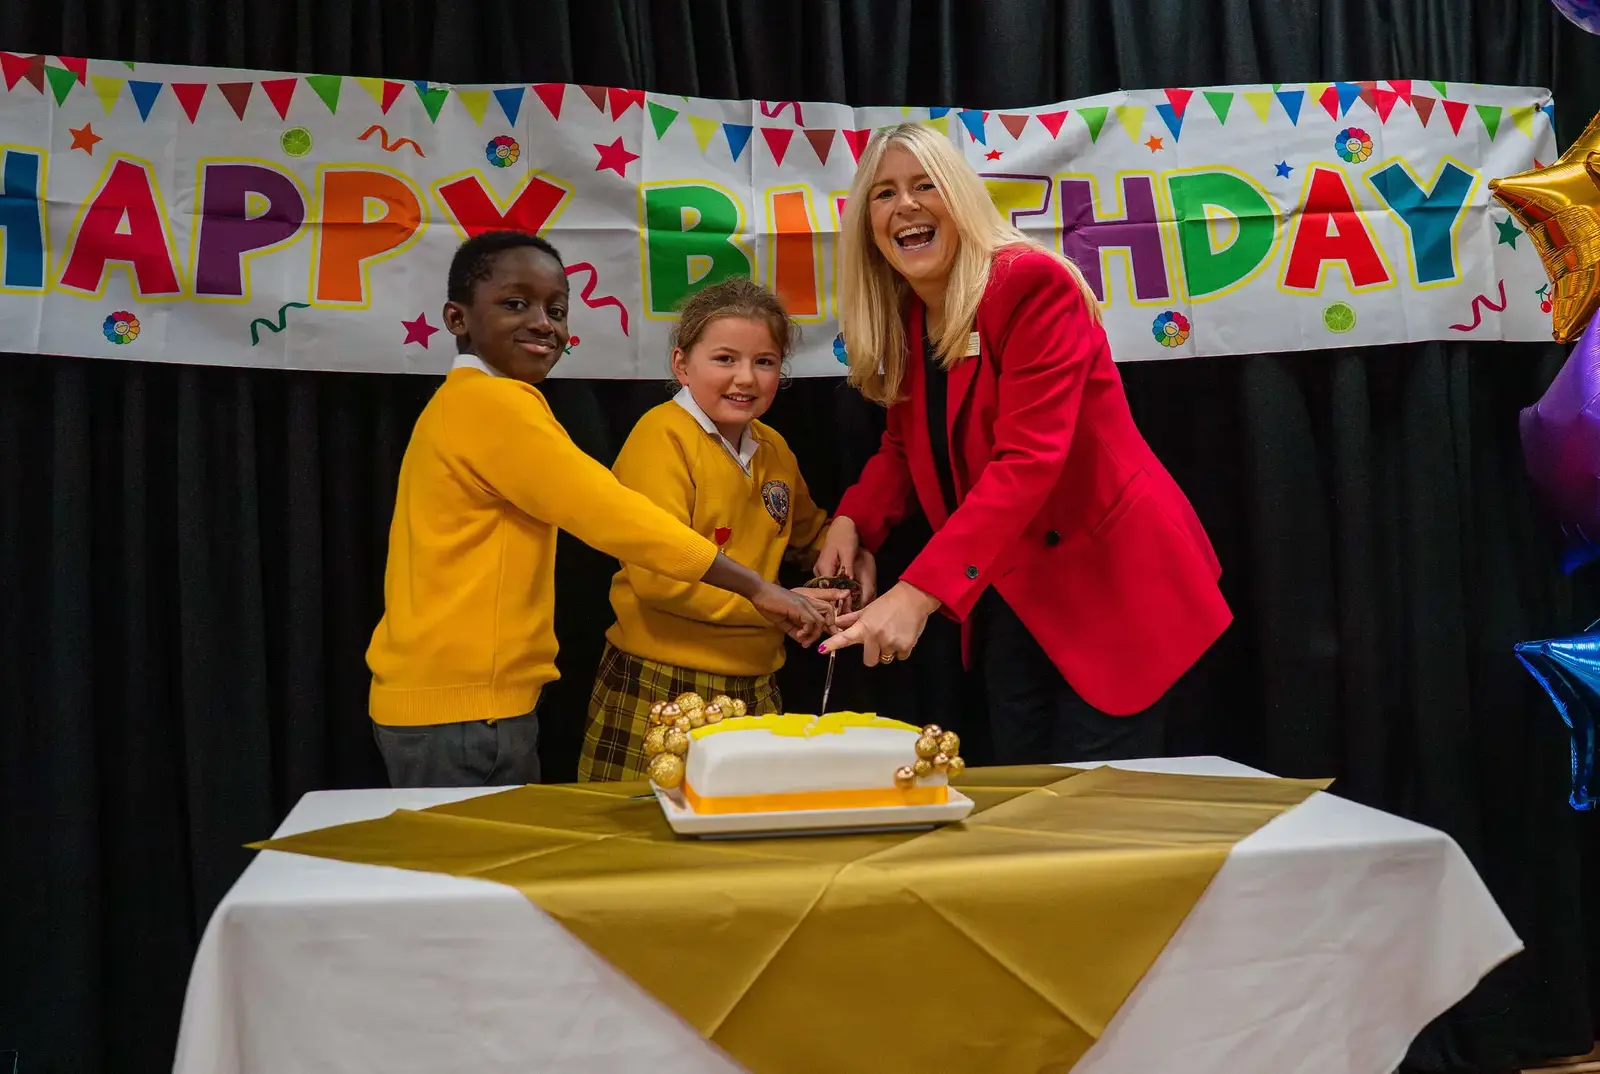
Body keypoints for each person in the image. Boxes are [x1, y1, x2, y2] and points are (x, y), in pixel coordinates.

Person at [815, 124, 1232, 765]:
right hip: (1011, 594)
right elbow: (904, 445)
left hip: (1109, 590)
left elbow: (1028, 461)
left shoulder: (1031, 284)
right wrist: (854, 521)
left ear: (961, 200)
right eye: (885, 193)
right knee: (1025, 798)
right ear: (867, 223)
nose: (906, 205)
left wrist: (916, 593)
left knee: (1097, 817)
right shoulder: (908, 312)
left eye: (926, 185)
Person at [366, 231, 830, 789]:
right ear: (457, 318)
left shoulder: (478, 403)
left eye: (556, 309)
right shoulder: (492, 405)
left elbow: (804, 526)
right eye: (516, 304)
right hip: (465, 712)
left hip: (467, 706)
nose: (542, 322)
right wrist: (760, 591)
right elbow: (616, 516)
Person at [578, 279, 866, 781]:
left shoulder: (772, 447)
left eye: (765, 361)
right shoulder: (660, 438)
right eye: (725, 359)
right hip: (660, 678)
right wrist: (777, 602)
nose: (746, 379)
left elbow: (807, 534)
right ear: (681, 366)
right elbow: (658, 579)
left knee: (748, 842)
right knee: (639, 846)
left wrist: (843, 563)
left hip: (757, 683)